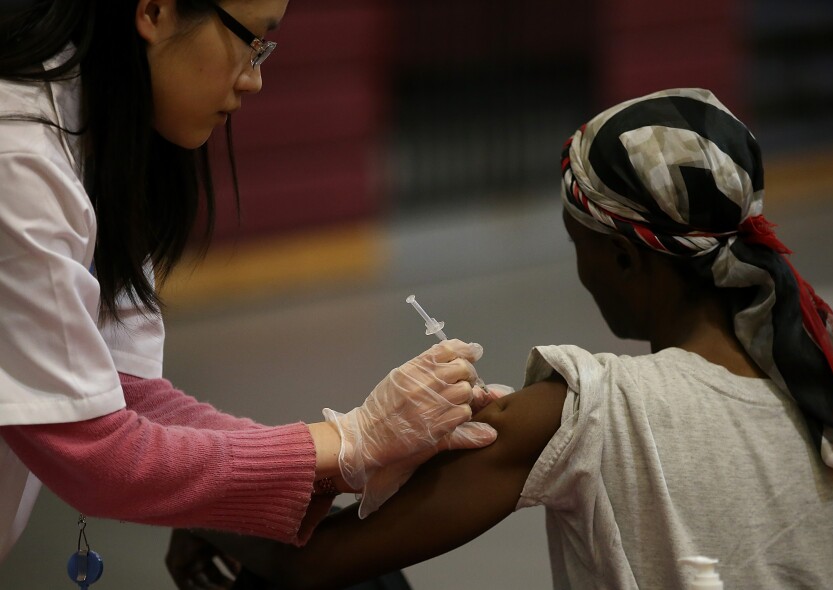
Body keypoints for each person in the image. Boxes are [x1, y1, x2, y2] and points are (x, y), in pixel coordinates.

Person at [171, 88, 833, 590]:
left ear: (628, 257)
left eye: (581, 245)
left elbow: (310, 564)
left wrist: (202, 510)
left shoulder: (594, 411)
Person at [0, 0, 502, 568]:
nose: (255, 77)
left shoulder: (99, 127)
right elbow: (99, 453)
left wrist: (348, 460)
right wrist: (352, 440)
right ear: (155, 10)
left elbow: (125, 390)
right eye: (251, 41)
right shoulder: (17, 158)